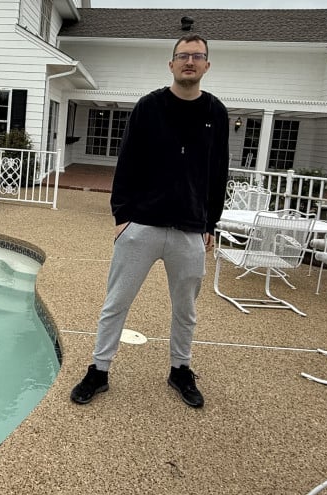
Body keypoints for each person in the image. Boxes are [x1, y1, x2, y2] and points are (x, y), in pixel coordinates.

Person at [70, 34, 229, 408]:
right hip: (141, 226)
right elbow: (126, 162)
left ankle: (180, 369)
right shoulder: (149, 107)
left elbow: (218, 171)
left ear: (206, 65)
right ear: (171, 64)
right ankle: (99, 370)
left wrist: (211, 223)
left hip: (190, 229)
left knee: (186, 310)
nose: (189, 61)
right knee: (116, 303)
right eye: (183, 56)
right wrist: (122, 217)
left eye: (197, 56)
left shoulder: (216, 113)